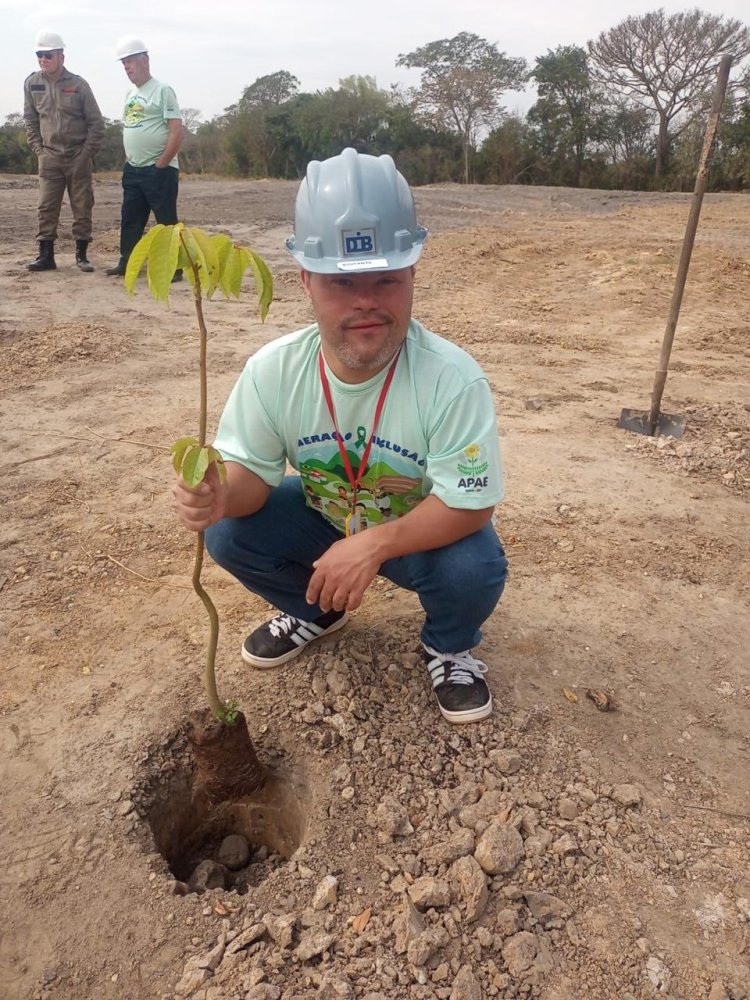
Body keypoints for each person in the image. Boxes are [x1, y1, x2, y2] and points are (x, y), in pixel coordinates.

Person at [173, 148, 509, 725]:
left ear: (413, 274)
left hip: (415, 538)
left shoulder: (451, 378)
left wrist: (373, 544)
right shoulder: (275, 369)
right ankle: (314, 609)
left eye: (387, 280)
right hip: (323, 521)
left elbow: (468, 501)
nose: (366, 303)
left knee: (472, 567)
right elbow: (251, 476)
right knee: (228, 533)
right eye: (340, 283)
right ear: (305, 279)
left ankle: (449, 647)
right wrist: (219, 493)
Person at [23, 30, 105, 273]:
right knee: (46, 206)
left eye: (48, 55)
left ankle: (82, 256)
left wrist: (86, 154)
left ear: (61, 56)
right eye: (40, 54)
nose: (43, 59)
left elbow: (96, 124)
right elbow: (30, 119)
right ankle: (46, 255)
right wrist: (38, 150)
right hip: (49, 157)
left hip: (77, 156)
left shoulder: (78, 85)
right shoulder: (32, 83)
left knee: (82, 206)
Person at [106, 36, 184, 279]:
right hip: (133, 169)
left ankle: (174, 268)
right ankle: (127, 262)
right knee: (130, 218)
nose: (127, 67)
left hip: (159, 169)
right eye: (123, 63)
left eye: (130, 61)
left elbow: (176, 130)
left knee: (166, 222)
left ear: (145, 60)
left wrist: (161, 164)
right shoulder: (131, 93)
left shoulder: (162, 90)